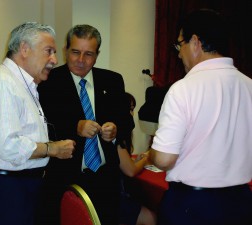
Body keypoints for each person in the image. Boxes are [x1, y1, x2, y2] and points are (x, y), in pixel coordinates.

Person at [148, 9, 252, 225]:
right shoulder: (249, 86)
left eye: (179, 44)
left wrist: (152, 153)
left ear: (195, 42)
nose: (178, 53)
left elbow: (164, 159)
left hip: (192, 205)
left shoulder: (183, 89)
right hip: (242, 202)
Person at [0, 22, 75, 225]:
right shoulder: (2, 83)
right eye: (48, 51)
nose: (54, 59)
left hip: (20, 184)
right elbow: (8, 145)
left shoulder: (24, 84)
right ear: (25, 49)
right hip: (6, 187)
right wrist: (52, 149)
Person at [37, 24, 133, 225]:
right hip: (65, 178)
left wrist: (115, 130)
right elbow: (42, 124)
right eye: (75, 52)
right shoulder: (48, 81)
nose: (81, 60)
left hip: (106, 179)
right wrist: (75, 127)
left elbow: (127, 122)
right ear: (65, 51)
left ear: (97, 54)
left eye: (88, 54)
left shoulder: (113, 80)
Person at [118, 92, 157, 225]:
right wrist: (145, 160)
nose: (132, 114)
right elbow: (130, 171)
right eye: (130, 109)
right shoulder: (115, 136)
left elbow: (123, 166)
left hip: (119, 192)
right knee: (151, 217)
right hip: (116, 197)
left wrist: (135, 161)